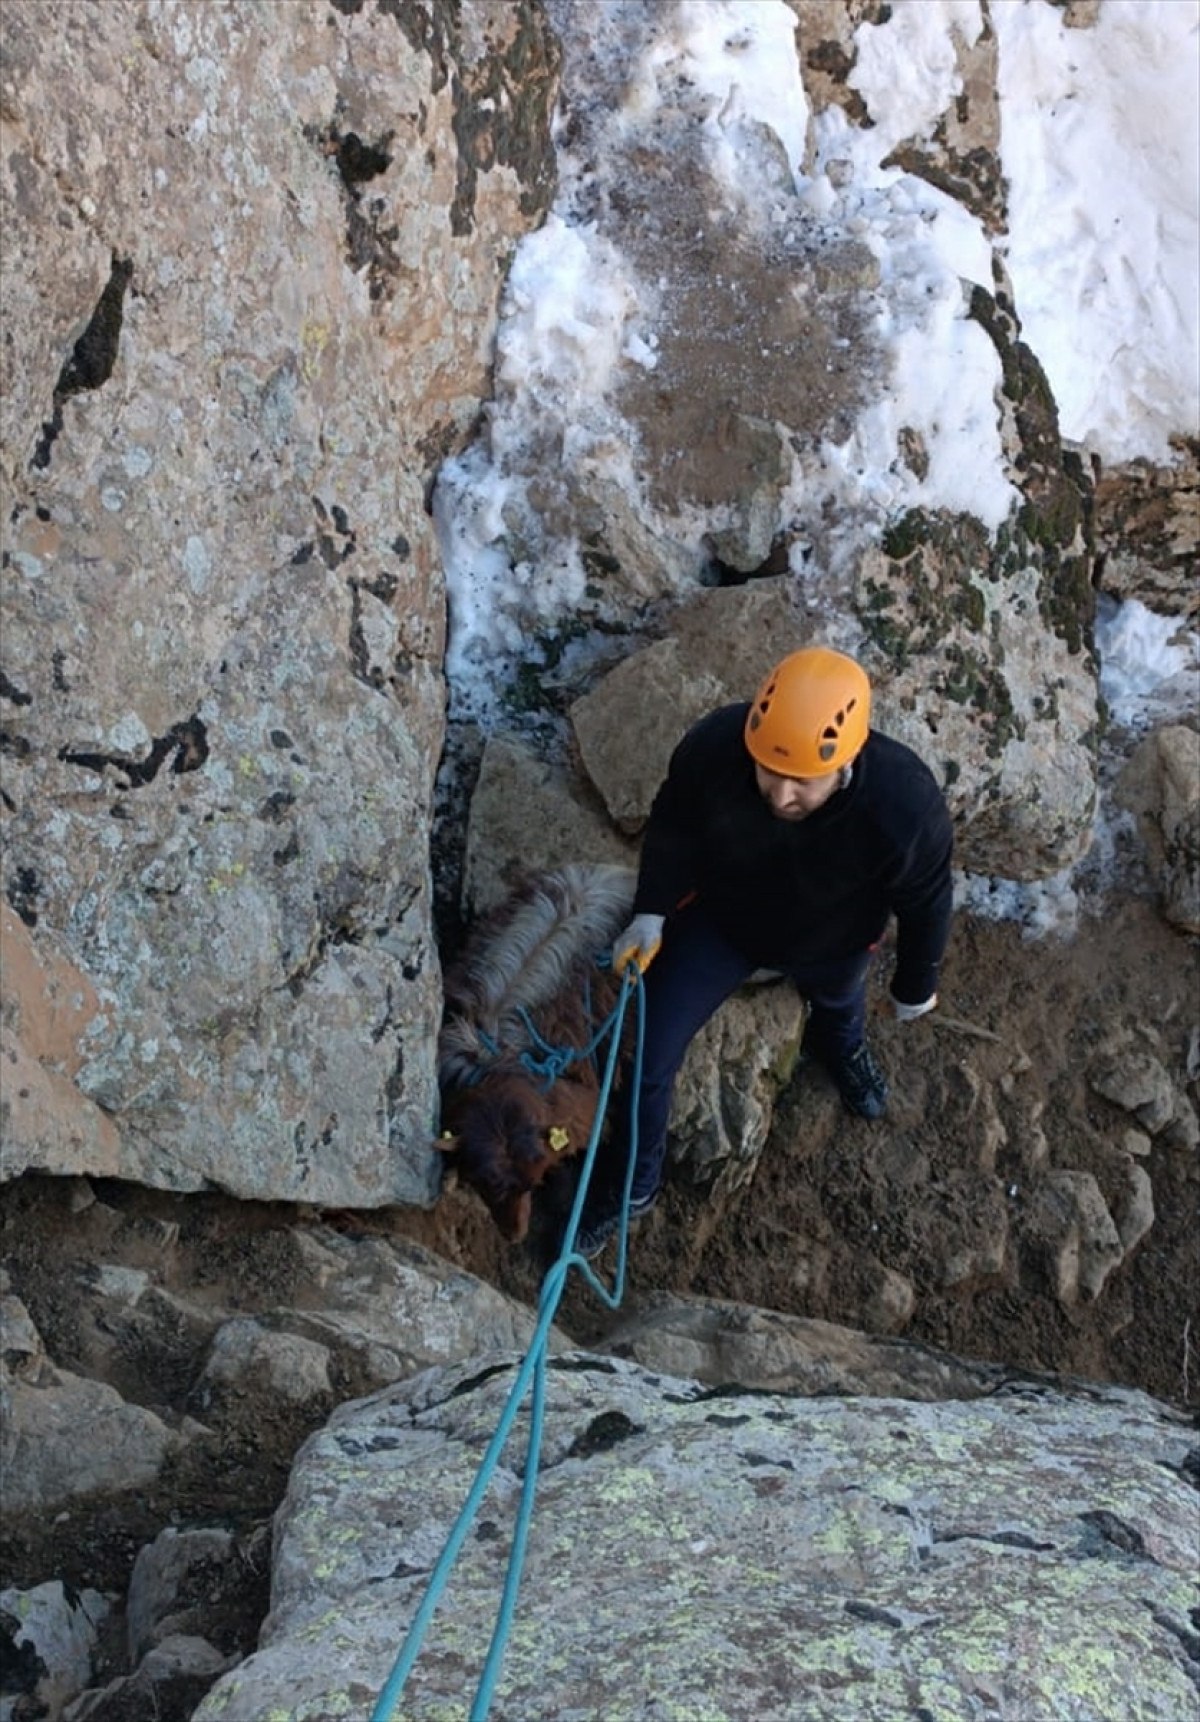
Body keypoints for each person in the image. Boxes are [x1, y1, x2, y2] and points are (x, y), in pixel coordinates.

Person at [575, 645, 954, 1260]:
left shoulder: (903, 806)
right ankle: (633, 1188)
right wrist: (652, 910)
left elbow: (928, 900)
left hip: (834, 941)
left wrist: (916, 983)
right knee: (648, 1051)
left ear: (846, 761)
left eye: (802, 780)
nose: (779, 795)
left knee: (840, 1006)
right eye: (769, 770)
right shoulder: (717, 747)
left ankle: (840, 1047)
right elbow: (674, 824)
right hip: (727, 926)